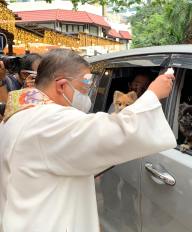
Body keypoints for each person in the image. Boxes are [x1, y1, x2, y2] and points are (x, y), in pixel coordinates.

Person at [0, 49, 176, 231]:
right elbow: (118, 131)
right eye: (84, 88)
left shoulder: (19, 115)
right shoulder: (50, 121)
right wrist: (153, 95)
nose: (87, 96)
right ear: (61, 86)